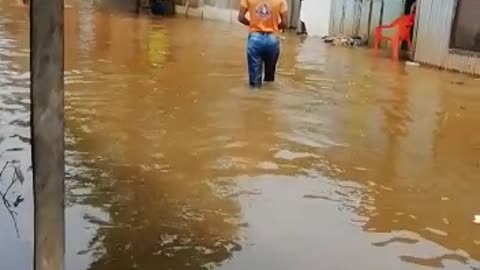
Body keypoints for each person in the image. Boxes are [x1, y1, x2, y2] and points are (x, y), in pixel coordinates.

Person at [238, 0, 288, 88]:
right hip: (272, 40)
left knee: (254, 83)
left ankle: (255, 98)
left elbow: (241, 18)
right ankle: (268, 98)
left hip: (255, 39)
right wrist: (275, 27)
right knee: (270, 79)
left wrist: (253, 24)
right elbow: (285, 23)